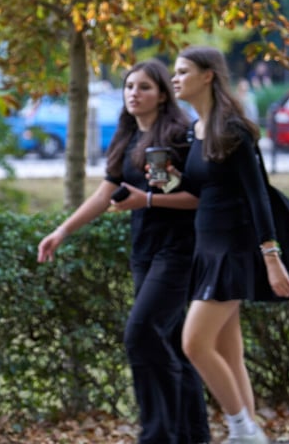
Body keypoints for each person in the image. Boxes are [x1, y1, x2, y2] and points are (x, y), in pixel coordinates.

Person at [38, 60, 210, 444]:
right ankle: (192, 434)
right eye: (130, 86)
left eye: (144, 87)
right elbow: (105, 193)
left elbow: (199, 198)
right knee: (172, 342)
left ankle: (157, 434)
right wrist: (62, 231)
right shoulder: (128, 135)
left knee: (141, 333)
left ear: (162, 94)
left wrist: (147, 199)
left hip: (179, 251)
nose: (134, 93)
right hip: (144, 252)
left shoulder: (180, 136)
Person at [172, 46, 289, 444]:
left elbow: (258, 196)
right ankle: (250, 434)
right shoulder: (196, 130)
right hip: (206, 250)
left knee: (194, 343)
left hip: (233, 250)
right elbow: (203, 189)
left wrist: (271, 257)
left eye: (183, 71)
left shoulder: (232, 130)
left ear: (207, 75)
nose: (175, 78)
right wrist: (168, 181)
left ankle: (242, 429)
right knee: (228, 353)